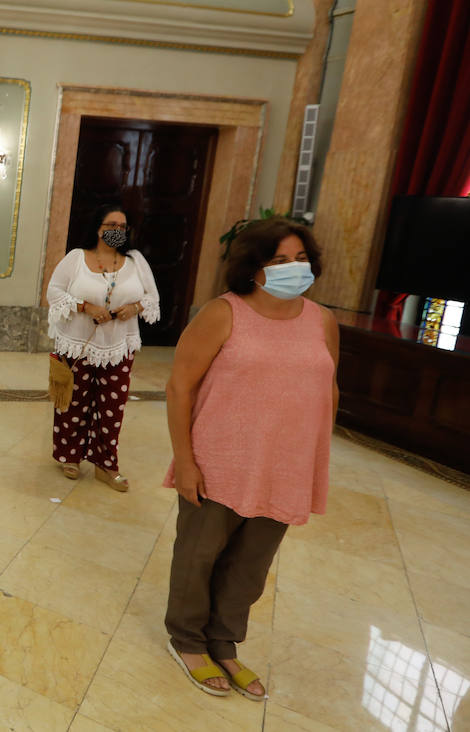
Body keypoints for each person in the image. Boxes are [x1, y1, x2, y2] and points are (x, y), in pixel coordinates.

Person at [163, 218, 337, 700]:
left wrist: (313, 462)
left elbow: (328, 389)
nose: (293, 268)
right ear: (253, 267)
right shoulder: (224, 313)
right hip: (220, 459)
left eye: (300, 258)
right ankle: (188, 638)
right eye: (279, 260)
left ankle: (224, 641)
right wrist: (186, 460)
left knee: (251, 564)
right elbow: (180, 386)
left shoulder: (321, 319)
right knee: (199, 555)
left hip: (286, 466)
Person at [45, 204, 160, 491]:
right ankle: (70, 456)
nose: (117, 232)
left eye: (122, 227)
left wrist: (133, 307)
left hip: (118, 347)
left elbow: (152, 298)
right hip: (77, 345)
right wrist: (85, 306)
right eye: (111, 226)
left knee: (112, 408)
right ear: (98, 228)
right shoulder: (77, 258)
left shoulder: (135, 262)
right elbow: (54, 291)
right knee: (73, 403)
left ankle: (105, 464)